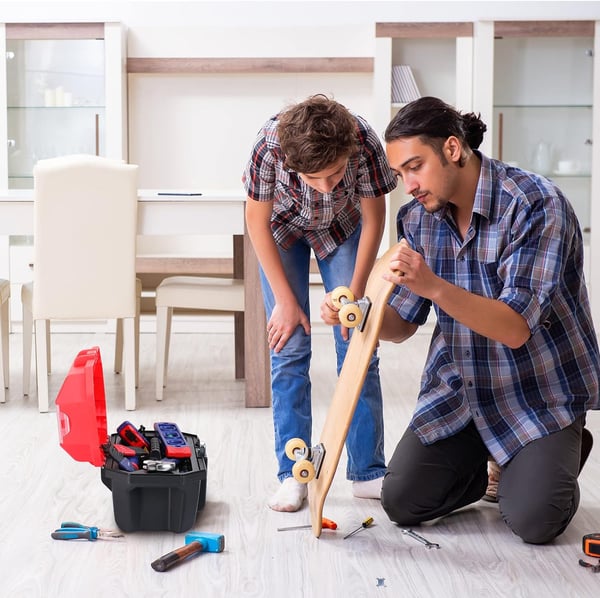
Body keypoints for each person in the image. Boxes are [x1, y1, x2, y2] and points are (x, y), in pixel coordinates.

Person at [322, 96, 598, 544]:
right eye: (399, 174)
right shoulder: (417, 218)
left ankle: (556, 450)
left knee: (535, 522)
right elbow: (404, 323)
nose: (407, 185)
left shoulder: (535, 205)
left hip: (538, 394)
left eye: (415, 167)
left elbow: (514, 328)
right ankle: (496, 462)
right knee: (402, 503)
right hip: (462, 390)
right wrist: (357, 314)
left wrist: (432, 284)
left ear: (452, 149)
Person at [243, 94, 397, 512]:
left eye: (335, 174)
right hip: (281, 232)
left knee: (359, 344)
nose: (328, 186)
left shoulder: (362, 140)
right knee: (289, 348)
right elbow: (255, 221)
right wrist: (286, 302)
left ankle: (367, 472)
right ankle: (293, 474)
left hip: (345, 230)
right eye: (316, 178)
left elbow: (374, 218)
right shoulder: (268, 147)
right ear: (292, 165)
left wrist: (359, 290)